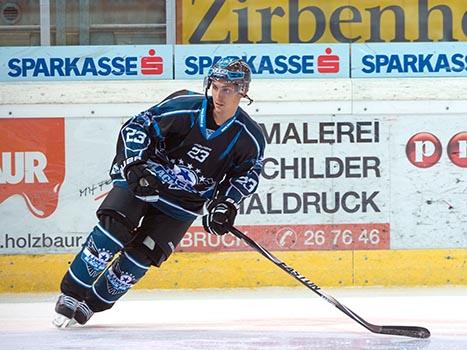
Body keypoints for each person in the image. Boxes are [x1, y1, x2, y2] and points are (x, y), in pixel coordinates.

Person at [53, 57, 266, 327]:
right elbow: (136, 125)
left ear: (242, 91)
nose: (218, 95)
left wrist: (225, 205)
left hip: (184, 202)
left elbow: (246, 174)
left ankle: (94, 303)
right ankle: (72, 292)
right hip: (145, 180)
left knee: (142, 255)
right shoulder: (183, 108)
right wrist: (135, 164)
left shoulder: (249, 136)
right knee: (112, 231)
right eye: (214, 86)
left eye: (226, 89)